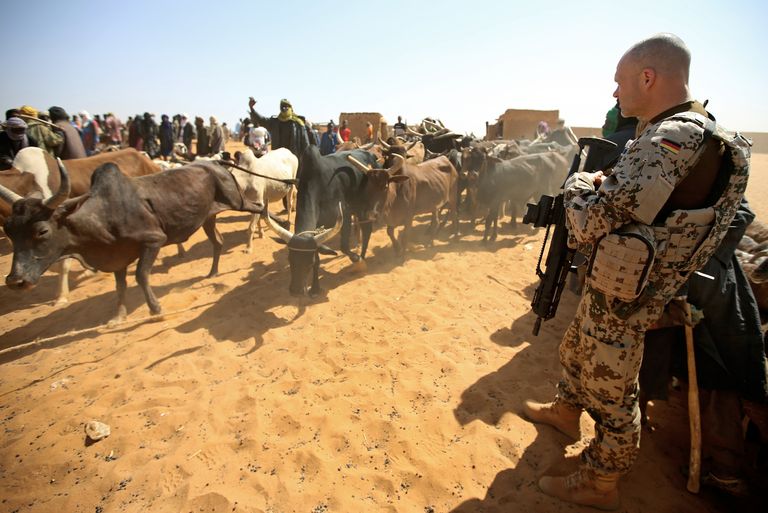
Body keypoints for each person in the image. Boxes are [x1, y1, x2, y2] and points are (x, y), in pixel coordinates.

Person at [522, 33, 749, 509]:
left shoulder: (675, 137)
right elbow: (644, 200)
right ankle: (566, 412)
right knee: (578, 347)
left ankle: (602, 479)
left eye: (620, 82)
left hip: (632, 292)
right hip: (624, 283)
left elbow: (590, 222)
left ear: (649, 77)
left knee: (611, 387)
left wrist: (580, 183)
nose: (615, 93)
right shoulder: (699, 133)